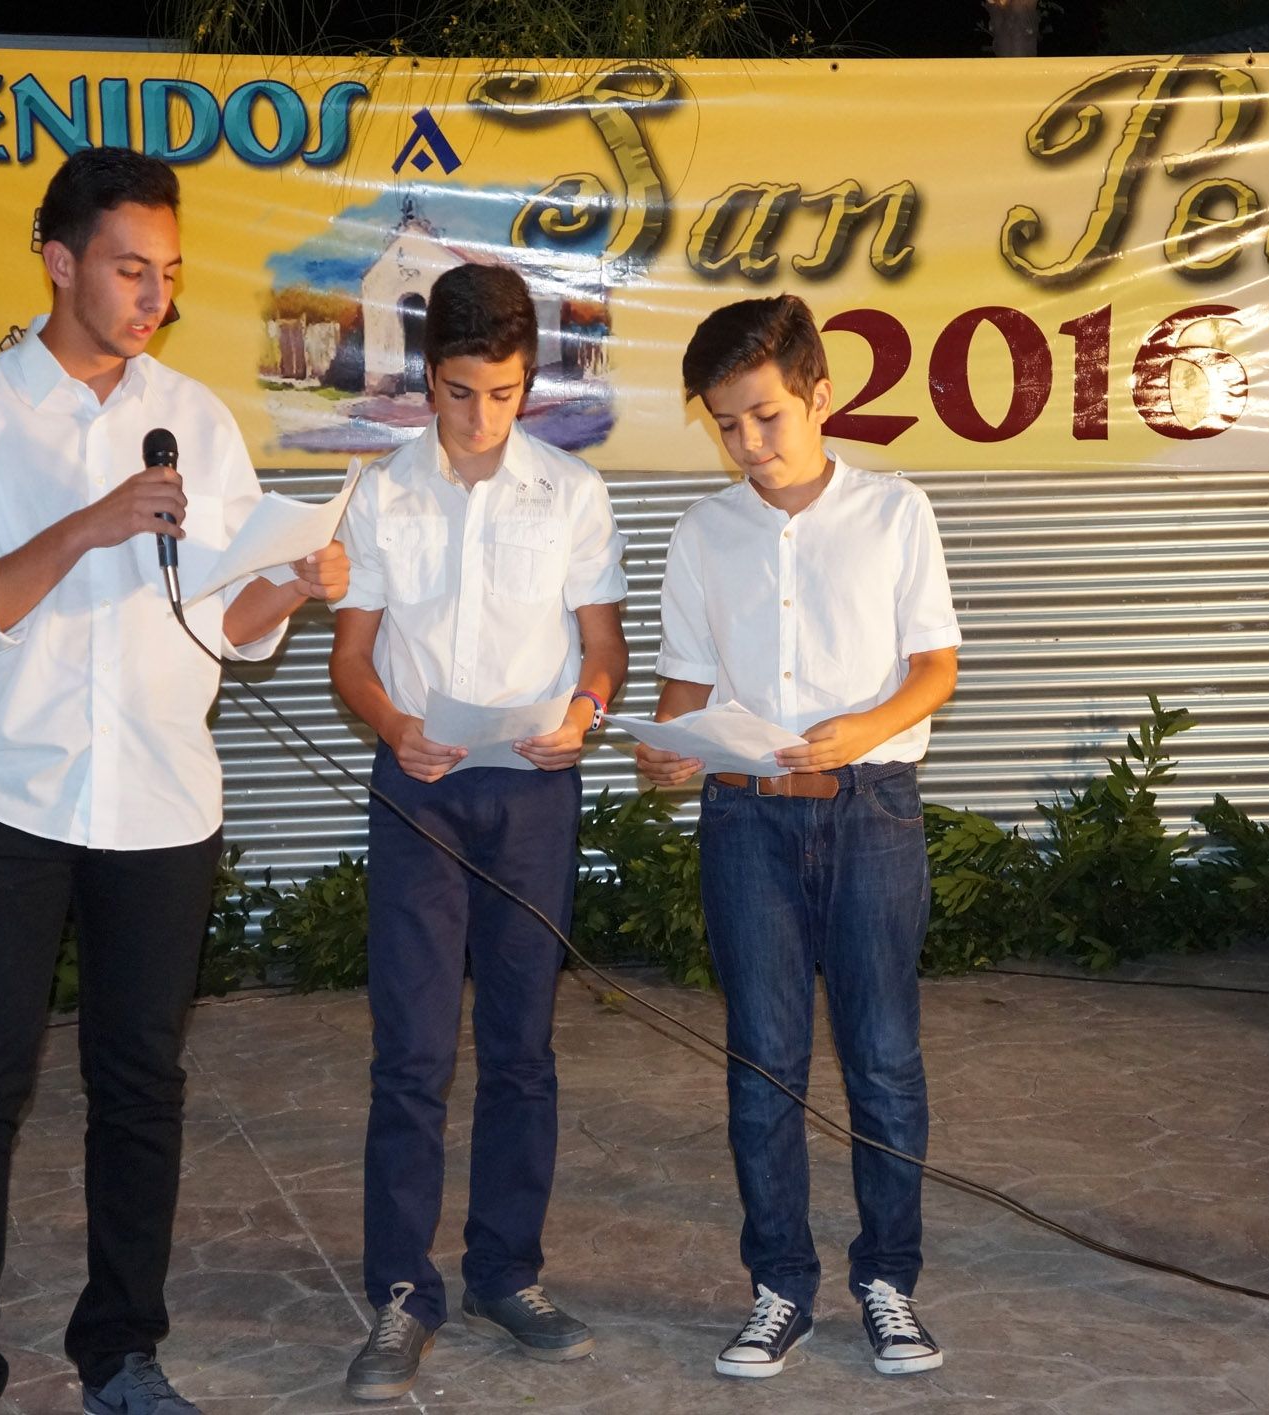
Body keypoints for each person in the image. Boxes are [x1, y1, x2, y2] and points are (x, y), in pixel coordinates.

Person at [0, 147, 347, 1415]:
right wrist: (88, 521)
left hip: (159, 796)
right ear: (58, 260)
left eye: (168, 273)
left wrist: (296, 582)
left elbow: (224, 616)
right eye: (128, 267)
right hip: (5, 794)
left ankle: (122, 1350)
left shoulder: (197, 417)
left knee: (141, 1083)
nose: (152, 294)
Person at [635, 293, 960, 1381]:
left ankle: (887, 1278)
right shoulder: (701, 531)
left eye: (767, 416)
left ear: (822, 395)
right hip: (742, 823)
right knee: (761, 1060)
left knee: (879, 1056)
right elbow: (685, 674)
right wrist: (668, 744)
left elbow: (934, 665)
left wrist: (865, 725)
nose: (749, 445)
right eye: (727, 424)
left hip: (870, 812)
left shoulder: (894, 510)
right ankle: (779, 1284)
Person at [327, 262, 628, 1402]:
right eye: (459, 393)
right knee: (408, 1051)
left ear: (527, 379)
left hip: (532, 791)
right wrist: (398, 727)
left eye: (502, 393)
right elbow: (348, 658)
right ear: (425, 380)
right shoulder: (380, 491)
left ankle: (508, 1271)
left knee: (520, 1049)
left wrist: (584, 717)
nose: (481, 417)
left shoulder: (570, 491)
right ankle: (402, 1291)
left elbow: (602, 649)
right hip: (418, 788)